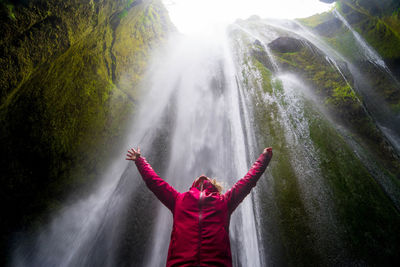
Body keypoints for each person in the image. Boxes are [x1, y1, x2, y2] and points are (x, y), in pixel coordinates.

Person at [126, 146, 273, 267]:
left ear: (214, 185)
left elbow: (247, 182)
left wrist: (264, 158)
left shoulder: (224, 202)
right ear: (193, 185)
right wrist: (140, 161)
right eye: (200, 177)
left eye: (208, 178)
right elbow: (155, 183)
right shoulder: (179, 200)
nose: (203, 176)